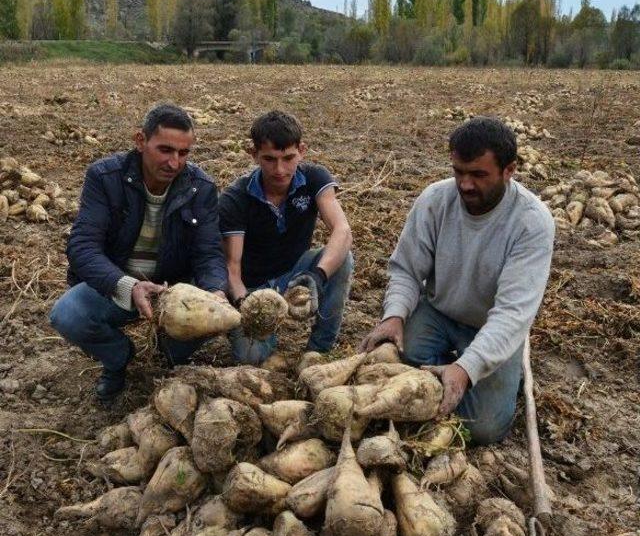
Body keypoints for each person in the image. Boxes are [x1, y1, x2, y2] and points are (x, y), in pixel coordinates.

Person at [361, 117, 555, 445]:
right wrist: (394, 316)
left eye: (478, 175)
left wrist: (466, 370)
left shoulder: (531, 223)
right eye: (458, 172)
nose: (465, 184)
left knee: (482, 428)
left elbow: (512, 314)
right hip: (439, 312)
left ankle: (487, 368)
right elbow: (407, 269)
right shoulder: (435, 200)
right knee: (395, 367)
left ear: (510, 170)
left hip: (491, 325)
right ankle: (449, 366)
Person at [49, 104, 228, 402]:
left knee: (207, 320)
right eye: (165, 150)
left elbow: (209, 253)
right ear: (140, 141)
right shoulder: (105, 178)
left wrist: (214, 293)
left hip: (171, 290)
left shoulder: (201, 188)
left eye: (183, 153)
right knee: (68, 314)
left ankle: (166, 356)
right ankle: (119, 359)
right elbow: (82, 246)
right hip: (118, 284)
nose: (174, 163)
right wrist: (128, 287)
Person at [219, 111, 353, 363]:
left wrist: (317, 275)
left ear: (302, 151)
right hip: (254, 288)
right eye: (269, 159)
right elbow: (232, 269)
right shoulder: (235, 198)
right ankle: (258, 336)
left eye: (288, 158)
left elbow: (342, 231)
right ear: (253, 154)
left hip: (296, 273)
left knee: (343, 258)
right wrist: (246, 305)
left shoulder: (314, 178)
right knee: (251, 357)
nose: (280, 170)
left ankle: (319, 351)